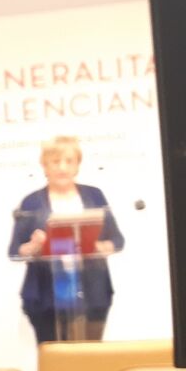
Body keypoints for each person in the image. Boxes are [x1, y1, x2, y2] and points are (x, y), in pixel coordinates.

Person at [8, 135, 125, 343]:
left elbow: (117, 240)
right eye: (55, 161)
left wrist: (98, 246)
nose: (62, 167)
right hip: (45, 297)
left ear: (77, 165)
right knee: (55, 357)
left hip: (93, 293)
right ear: (45, 166)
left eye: (69, 161)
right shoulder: (31, 202)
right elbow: (15, 251)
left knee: (91, 356)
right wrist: (34, 245)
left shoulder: (95, 196)